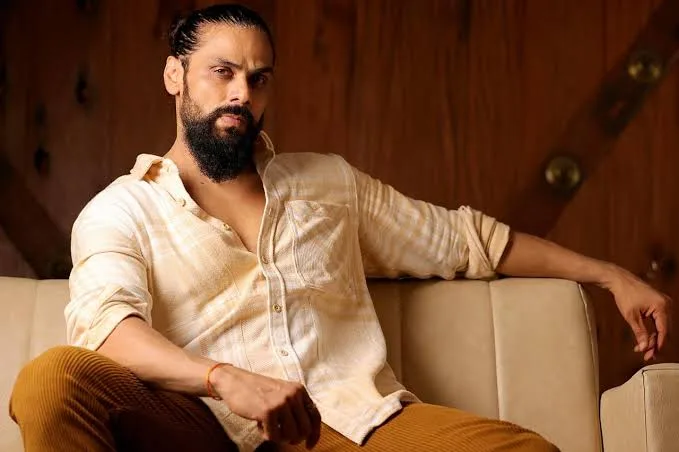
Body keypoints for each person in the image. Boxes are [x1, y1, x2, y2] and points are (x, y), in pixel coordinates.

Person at [9, 4, 671, 452]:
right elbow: (109, 330)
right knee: (52, 381)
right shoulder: (119, 210)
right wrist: (224, 379)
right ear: (175, 75)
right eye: (222, 72)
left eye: (258, 78)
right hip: (200, 430)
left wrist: (608, 275)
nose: (241, 94)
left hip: (346, 425)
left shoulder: (328, 185)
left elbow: (468, 242)